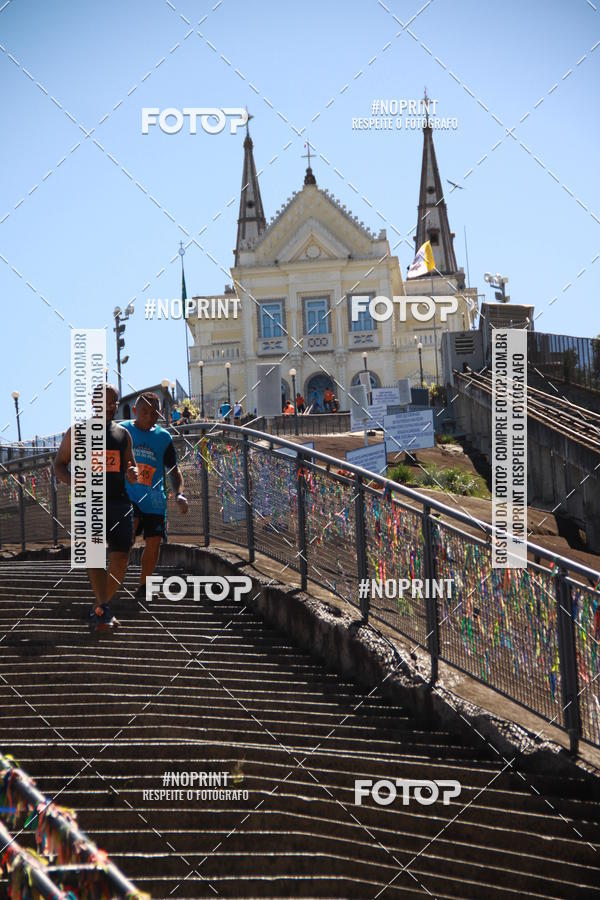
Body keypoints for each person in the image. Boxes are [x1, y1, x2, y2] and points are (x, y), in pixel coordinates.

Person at [54, 384, 138, 631]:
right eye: (104, 401)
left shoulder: (123, 434)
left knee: (121, 558)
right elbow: (59, 465)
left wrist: (132, 473)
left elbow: (130, 467)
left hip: (119, 501)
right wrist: (73, 481)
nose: (110, 406)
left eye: (114, 402)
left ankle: (99, 607)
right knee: (94, 554)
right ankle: (104, 610)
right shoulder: (78, 432)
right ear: (93, 402)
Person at [121, 393, 189, 599]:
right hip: (128, 496)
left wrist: (179, 494)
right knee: (127, 538)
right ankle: (113, 581)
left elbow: (173, 470)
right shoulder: (123, 431)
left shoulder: (163, 438)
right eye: (144, 412)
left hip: (154, 500)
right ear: (134, 411)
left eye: (154, 413)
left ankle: (144, 586)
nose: (149, 417)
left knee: (154, 541)